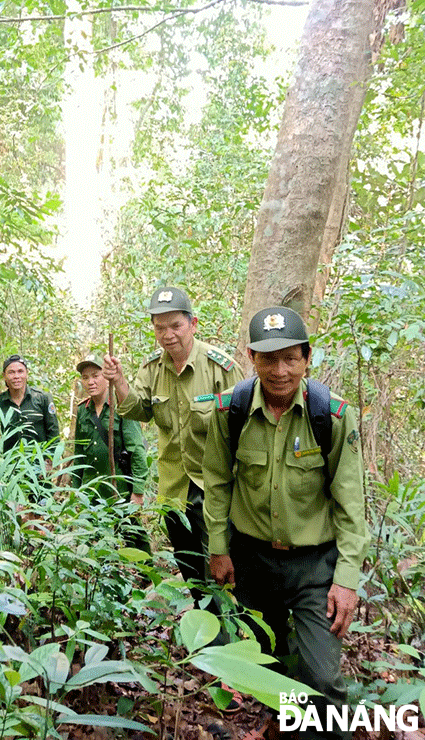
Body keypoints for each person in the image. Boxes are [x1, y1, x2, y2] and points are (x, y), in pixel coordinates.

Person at [203, 306, 369, 740]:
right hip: (253, 561)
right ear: (251, 358)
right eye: (268, 359)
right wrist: (218, 548)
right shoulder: (230, 411)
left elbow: (351, 504)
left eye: (290, 358)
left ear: (307, 358)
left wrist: (347, 580)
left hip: (316, 567)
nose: (280, 371)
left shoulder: (329, 415)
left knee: (323, 678)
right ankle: (291, 728)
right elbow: (218, 483)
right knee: (270, 665)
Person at [102, 286, 243, 607]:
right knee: (190, 568)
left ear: (193, 324)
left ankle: (230, 640)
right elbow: (138, 410)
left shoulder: (219, 367)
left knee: (224, 572)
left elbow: (245, 430)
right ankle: (208, 638)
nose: (167, 335)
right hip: (174, 492)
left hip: (216, 490)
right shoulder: (152, 368)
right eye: (159, 328)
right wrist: (119, 381)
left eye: (175, 325)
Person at [73, 352, 152, 556]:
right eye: (85, 377)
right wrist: (76, 490)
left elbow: (136, 449)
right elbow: (79, 453)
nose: (90, 382)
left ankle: (146, 578)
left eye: (96, 375)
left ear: (106, 375)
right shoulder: (83, 410)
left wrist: (138, 491)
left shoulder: (121, 406)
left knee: (132, 534)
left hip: (121, 486)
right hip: (92, 488)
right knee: (93, 539)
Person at [0, 354, 60, 459]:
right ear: (4, 376)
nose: (16, 376)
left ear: (27, 373)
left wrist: (49, 460)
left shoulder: (42, 398)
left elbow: (53, 432)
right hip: (10, 466)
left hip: (39, 464)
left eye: (20, 371)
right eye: (11, 372)